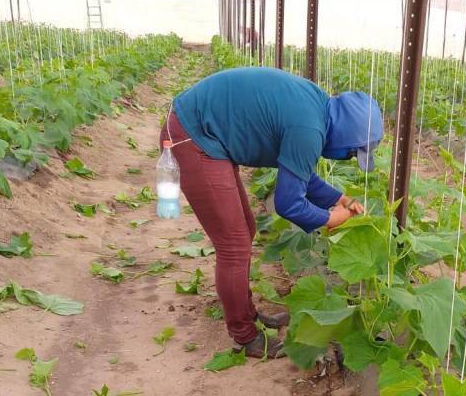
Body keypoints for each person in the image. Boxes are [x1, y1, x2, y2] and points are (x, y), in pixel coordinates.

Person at [159, 67, 383, 358]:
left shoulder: (318, 109)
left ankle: (247, 313)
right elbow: (288, 203)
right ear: (346, 137)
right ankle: (245, 336)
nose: (350, 158)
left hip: (205, 129)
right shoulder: (310, 129)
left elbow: (298, 170)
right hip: (194, 135)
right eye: (353, 153)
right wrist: (330, 218)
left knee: (245, 232)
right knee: (234, 245)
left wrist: (340, 198)